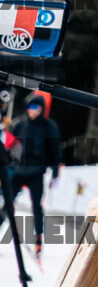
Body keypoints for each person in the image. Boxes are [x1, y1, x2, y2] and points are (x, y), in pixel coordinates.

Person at [3, 88, 62, 262]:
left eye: (36, 107)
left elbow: (55, 150)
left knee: (37, 207)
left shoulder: (49, 126)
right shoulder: (19, 124)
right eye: (30, 107)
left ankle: (38, 240)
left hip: (36, 173)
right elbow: (9, 147)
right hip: (18, 172)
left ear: (42, 109)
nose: (32, 110)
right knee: (7, 204)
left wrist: (55, 172)